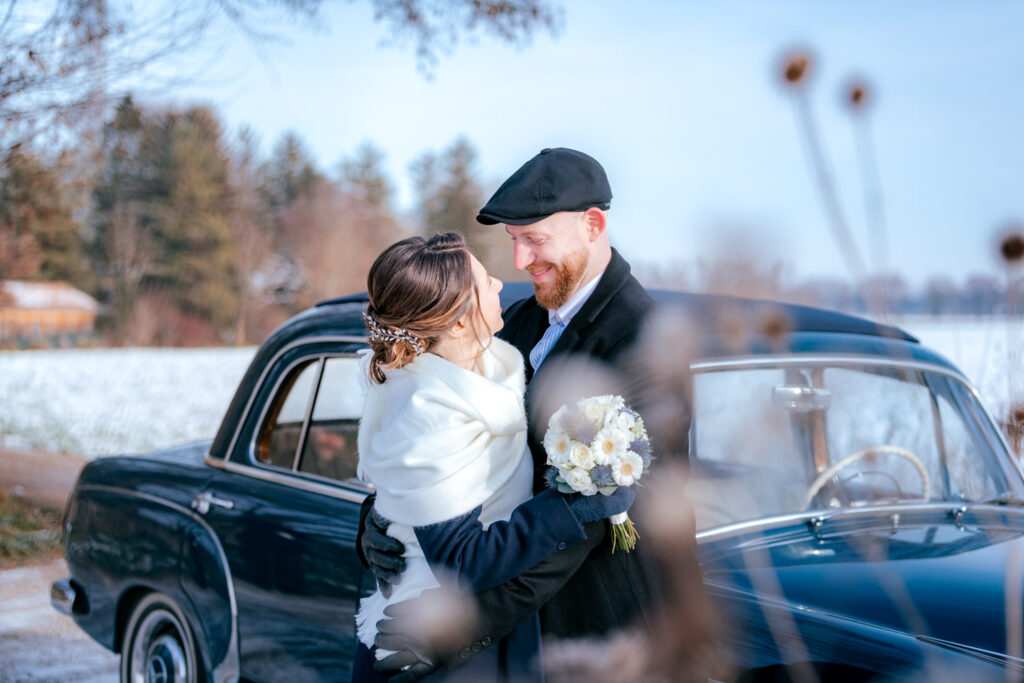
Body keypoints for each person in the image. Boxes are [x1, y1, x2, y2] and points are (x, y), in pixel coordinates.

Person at [362, 148, 678, 680]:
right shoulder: (515, 321)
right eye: (512, 240)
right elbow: (444, 440)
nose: (519, 261)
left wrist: (453, 626)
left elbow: (586, 528)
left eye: (535, 239)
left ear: (592, 225)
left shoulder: (644, 342)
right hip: (514, 635)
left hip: (594, 632)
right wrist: (380, 521)